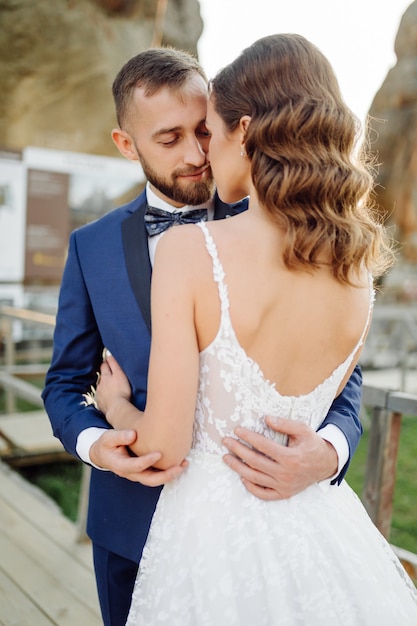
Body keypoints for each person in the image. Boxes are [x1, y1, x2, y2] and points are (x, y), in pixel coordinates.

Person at [95, 34, 417, 625]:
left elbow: (164, 448)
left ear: (244, 132)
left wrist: (116, 407)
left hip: (208, 543)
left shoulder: (189, 251)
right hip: (320, 537)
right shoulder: (356, 272)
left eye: (211, 133)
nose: (205, 152)